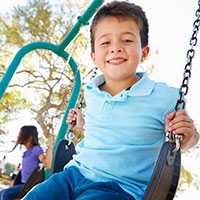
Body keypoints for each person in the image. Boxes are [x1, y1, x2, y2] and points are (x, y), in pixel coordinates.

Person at [23, 1, 199, 200]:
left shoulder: (166, 97)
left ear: (145, 52)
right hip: (73, 174)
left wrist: (188, 136)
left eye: (126, 40)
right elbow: (103, 134)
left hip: (119, 188)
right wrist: (79, 126)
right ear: (94, 56)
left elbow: (189, 140)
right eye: (105, 42)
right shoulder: (91, 91)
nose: (115, 48)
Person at [0, 125, 54, 200]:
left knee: (5, 194)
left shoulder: (36, 150)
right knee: (3, 193)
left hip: (29, 186)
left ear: (30, 138)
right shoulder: (26, 152)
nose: (18, 136)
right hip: (21, 184)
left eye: (20, 134)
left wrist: (50, 146)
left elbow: (47, 164)